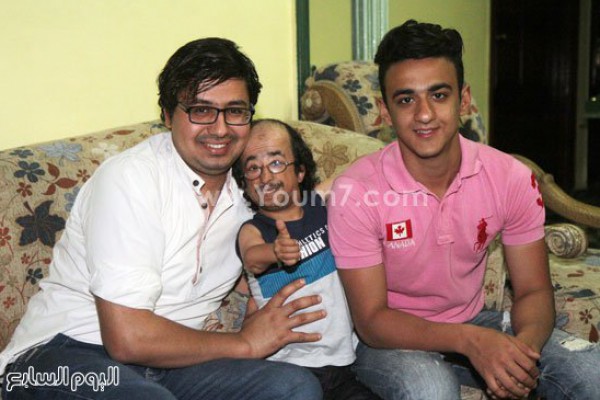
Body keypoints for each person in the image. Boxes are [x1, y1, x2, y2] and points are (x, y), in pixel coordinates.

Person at [0, 38, 325, 399]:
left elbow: (318, 202)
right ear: (168, 115)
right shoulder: (132, 178)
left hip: (173, 363)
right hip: (61, 354)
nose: (220, 129)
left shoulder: (250, 189)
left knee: (293, 388)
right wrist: (246, 343)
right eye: (201, 110)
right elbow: (127, 338)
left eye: (235, 111)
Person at [327, 20, 600, 400]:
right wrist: (470, 342)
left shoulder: (510, 177)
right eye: (405, 100)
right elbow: (372, 321)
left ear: (465, 99)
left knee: (592, 373)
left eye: (439, 95)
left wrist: (520, 354)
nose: (424, 114)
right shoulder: (357, 191)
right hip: (389, 339)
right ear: (385, 112)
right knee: (430, 390)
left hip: (473, 320)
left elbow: (534, 290)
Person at [234, 119, 381, 400]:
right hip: (288, 366)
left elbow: (352, 174)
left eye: (276, 163)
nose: (265, 176)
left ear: (300, 171)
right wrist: (274, 251)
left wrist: (392, 154)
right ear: (245, 184)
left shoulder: (318, 206)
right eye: (253, 168)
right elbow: (252, 258)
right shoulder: (253, 230)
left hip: (342, 364)